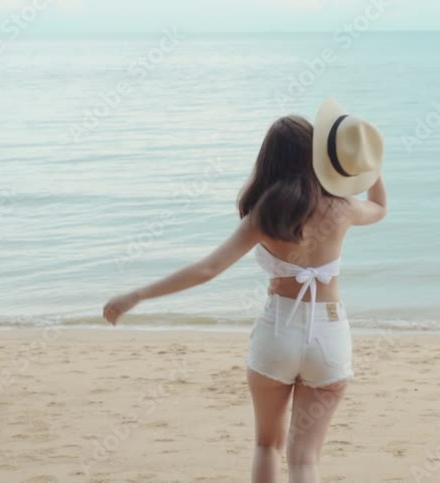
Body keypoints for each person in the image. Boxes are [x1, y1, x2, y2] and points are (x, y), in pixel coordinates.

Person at [102, 98, 386, 483]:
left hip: (278, 334)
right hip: (329, 335)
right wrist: (364, 164)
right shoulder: (342, 208)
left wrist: (136, 296)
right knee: (305, 461)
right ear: (315, 158)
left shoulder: (263, 217)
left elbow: (207, 269)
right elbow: (380, 207)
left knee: (267, 446)